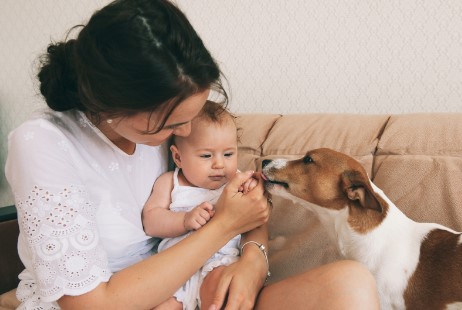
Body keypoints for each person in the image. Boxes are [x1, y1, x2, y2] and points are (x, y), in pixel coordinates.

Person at [5, 0, 380, 309]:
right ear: (112, 107)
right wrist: (223, 227)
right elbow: (91, 306)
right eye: (172, 124)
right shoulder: (42, 143)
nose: (185, 135)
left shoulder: (163, 138)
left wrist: (252, 259)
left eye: (190, 119)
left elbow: (236, 205)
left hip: (195, 288)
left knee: (350, 285)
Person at [142, 101, 257, 310]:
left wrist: (251, 188)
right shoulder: (170, 182)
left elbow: (255, 213)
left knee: (221, 294)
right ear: (178, 157)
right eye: (206, 155)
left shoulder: (236, 182)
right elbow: (151, 221)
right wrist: (183, 220)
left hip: (220, 262)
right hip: (174, 270)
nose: (219, 164)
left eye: (229, 154)